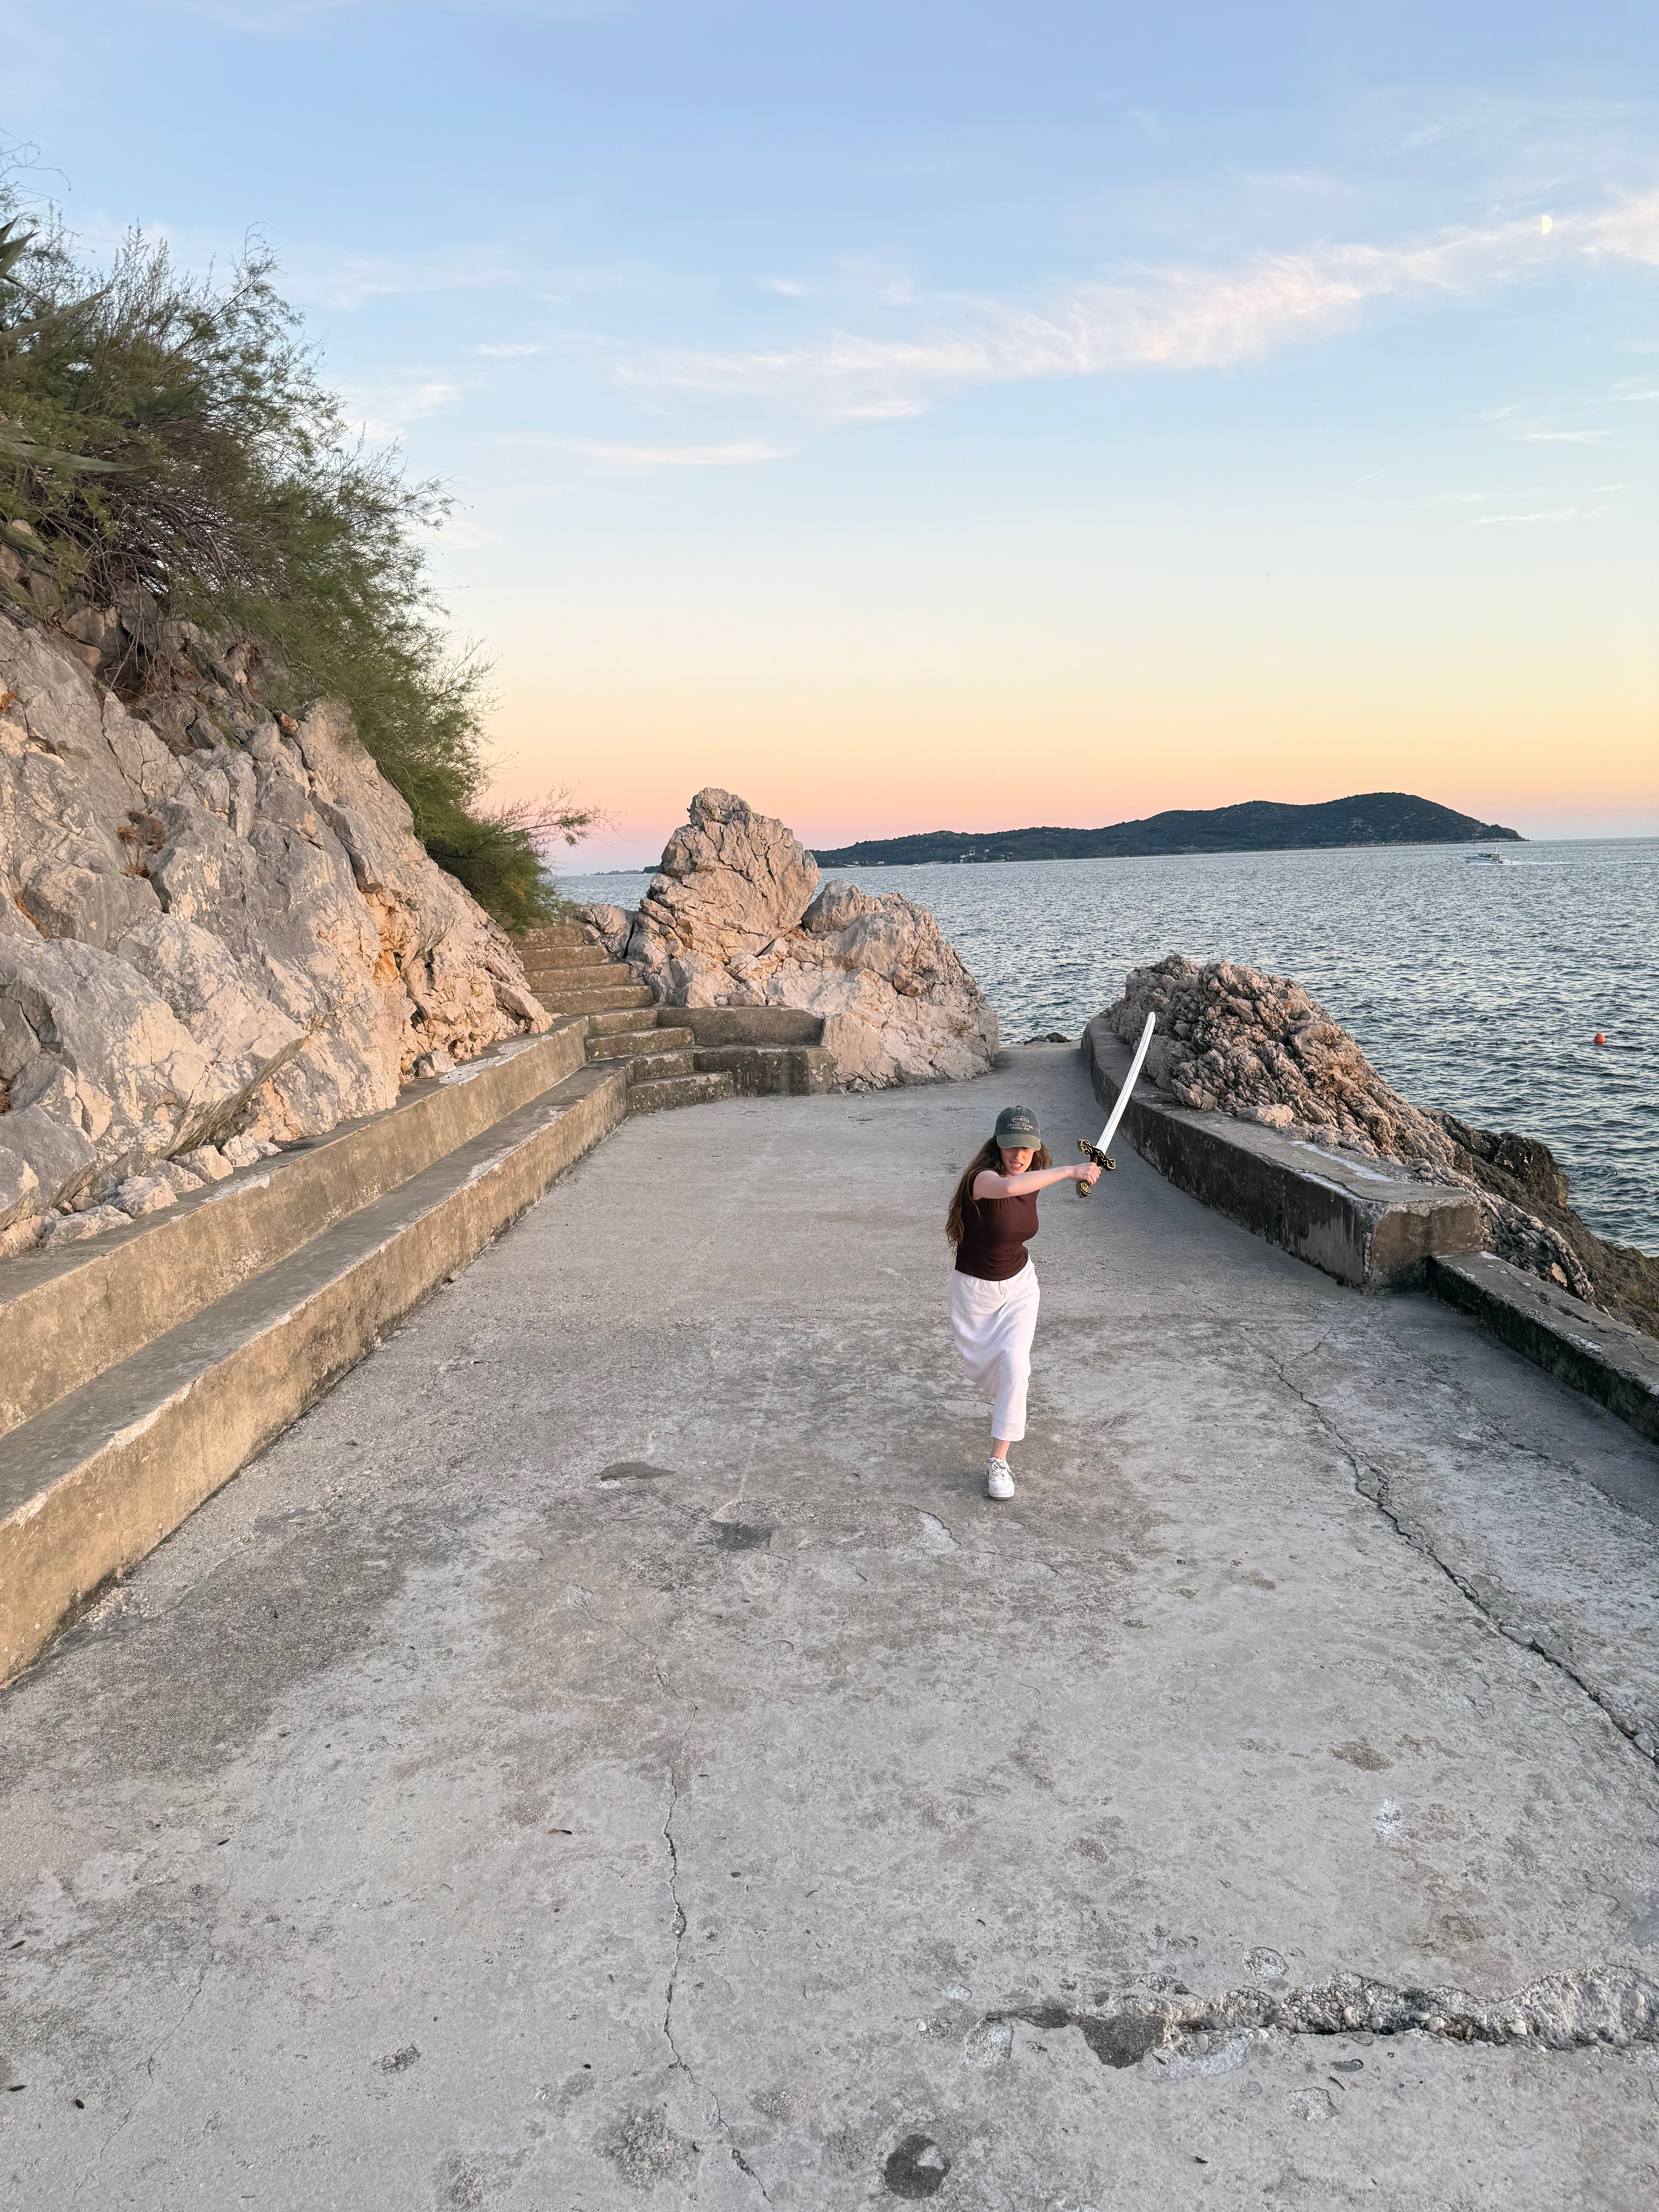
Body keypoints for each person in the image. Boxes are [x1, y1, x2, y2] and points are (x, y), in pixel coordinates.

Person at [946, 1103, 1100, 1499]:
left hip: (1020, 1286)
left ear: (1037, 1148)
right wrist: (1072, 1171)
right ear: (997, 1145)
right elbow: (1009, 1190)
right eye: (1011, 1147)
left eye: (1027, 1148)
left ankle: (998, 1460)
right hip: (975, 1295)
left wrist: (1085, 1173)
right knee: (992, 1373)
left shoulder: (1034, 1176)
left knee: (1016, 1366)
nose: (1019, 1156)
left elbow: (1027, 1187)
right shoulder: (982, 1180)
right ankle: (1006, 1404)